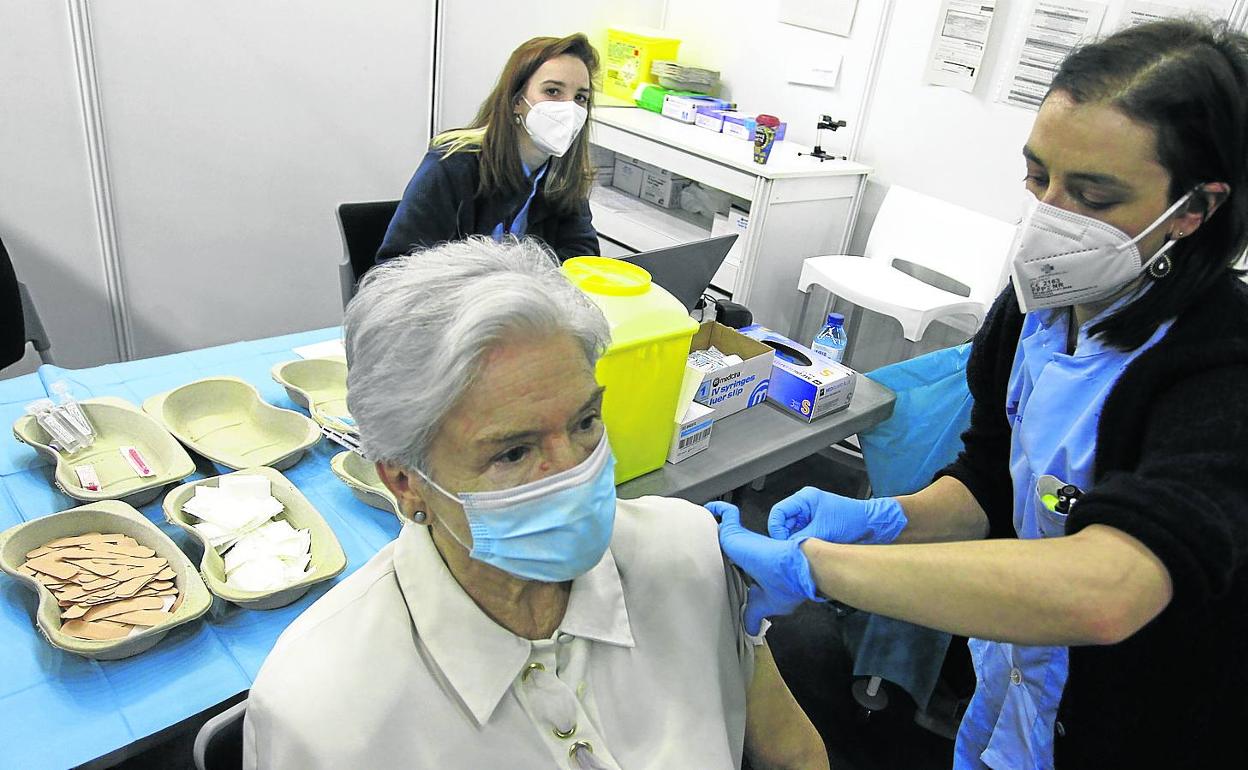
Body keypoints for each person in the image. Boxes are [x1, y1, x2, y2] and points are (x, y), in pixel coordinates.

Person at [711, 18, 1248, 770]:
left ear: (1194, 209)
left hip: (1144, 721)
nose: (1052, 218)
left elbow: (1111, 587)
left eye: (1093, 196)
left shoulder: (1219, 365)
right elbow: (991, 481)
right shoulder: (1034, 311)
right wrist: (883, 518)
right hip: (1020, 685)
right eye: (1038, 178)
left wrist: (819, 569)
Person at [243, 237, 828, 770]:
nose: (573, 472)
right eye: (515, 453)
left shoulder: (689, 553)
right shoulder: (323, 711)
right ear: (404, 481)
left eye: (584, 422)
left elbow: (794, 756)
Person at [376, 34, 600, 263]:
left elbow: (583, 257)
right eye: (553, 91)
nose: (569, 109)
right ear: (517, 101)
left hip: (528, 297)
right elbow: (397, 265)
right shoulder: (451, 165)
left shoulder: (564, 175)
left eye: (580, 98)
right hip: (448, 297)